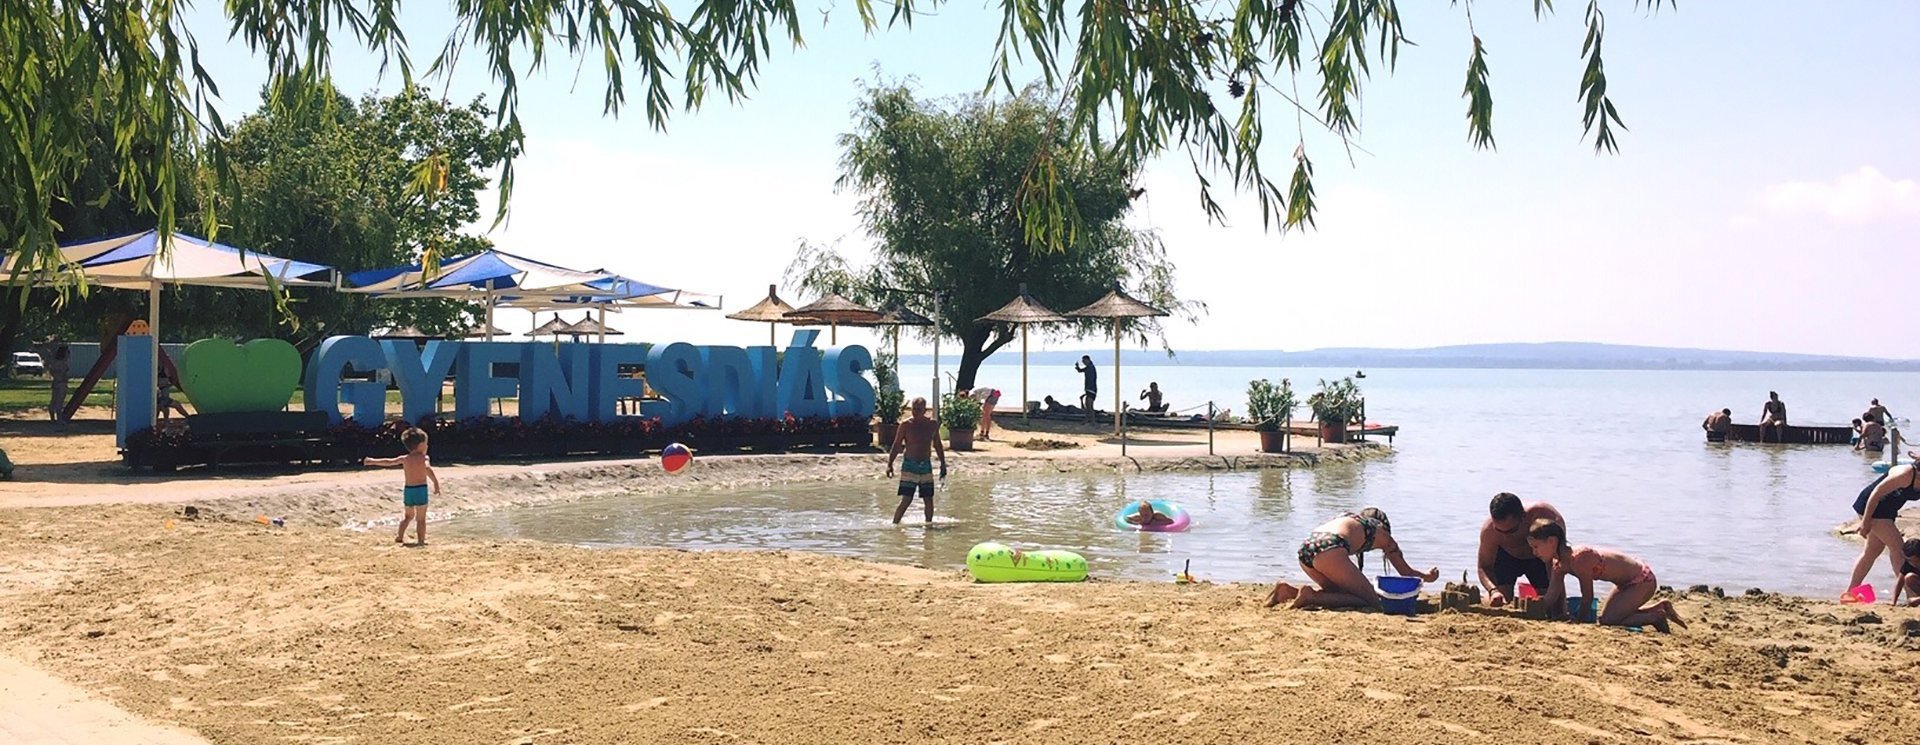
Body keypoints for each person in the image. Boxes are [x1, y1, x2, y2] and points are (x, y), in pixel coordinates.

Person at [1264, 508, 1439, 611]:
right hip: (1330, 548)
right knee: (1370, 602)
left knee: (1339, 595)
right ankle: (1311, 597)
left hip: (1306, 550)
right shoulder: (1384, 536)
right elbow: (1405, 572)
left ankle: (1288, 592)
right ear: (1383, 525)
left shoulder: (1347, 518)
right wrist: (1428, 577)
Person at [1527, 519, 1686, 632]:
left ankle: (1656, 617)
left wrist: (1579, 622)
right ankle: (1659, 608)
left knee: (1609, 621)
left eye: (1536, 547)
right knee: (1607, 619)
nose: (1534, 553)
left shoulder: (1579, 558)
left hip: (1641, 580)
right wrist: (1535, 608)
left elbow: (1587, 597)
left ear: (1552, 542)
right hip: (1623, 584)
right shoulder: (1559, 564)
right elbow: (1551, 595)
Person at [1843, 461, 1920, 601]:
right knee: (1899, 548)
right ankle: (1911, 595)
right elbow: (1876, 493)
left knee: (1871, 551)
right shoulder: (1905, 474)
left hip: (1888, 510)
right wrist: (1865, 522)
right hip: (1871, 506)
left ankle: (1850, 593)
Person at [1476, 493, 1565, 607]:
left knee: (1551, 603)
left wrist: (1555, 597)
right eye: (1499, 531)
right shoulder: (1489, 531)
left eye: (1510, 531)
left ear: (1523, 516)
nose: (1505, 536)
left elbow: (1559, 560)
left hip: (1539, 559)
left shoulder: (1546, 516)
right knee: (1499, 601)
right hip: (1506, 557)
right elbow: (1483, 567)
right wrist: (1493, 590)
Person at [363, 427, 440, 546]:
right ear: (420, 445)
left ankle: (399, 536)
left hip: (409, 490)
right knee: (421, 519)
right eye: (426, 444)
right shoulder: (424, 458)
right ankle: (421, 541)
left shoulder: (405, 459)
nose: (427, 446)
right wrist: (435, 483)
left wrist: (372, 461)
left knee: (408, 516)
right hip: (420, 490)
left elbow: (389, 462)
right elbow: (427, 468)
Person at [885, 397, 947, 524]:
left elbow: (938, 445)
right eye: (914, 409)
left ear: (925, 410)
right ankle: (895, 525)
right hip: (910, 465)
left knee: (928, 499)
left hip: (925, 465)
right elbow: (897, 445)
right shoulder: (906, 425)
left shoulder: (932, 424)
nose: (916, 412)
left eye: (919, 409)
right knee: (907, 499)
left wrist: (943, 464)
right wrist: (889, 464)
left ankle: (928, 526)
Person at [46, 343, 70, 422]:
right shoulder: (63, 364)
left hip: (56, 382)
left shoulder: (54, 363)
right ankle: (59, 419)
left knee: (54, 400)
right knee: (59, 401)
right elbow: (63, 373)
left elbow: (52, 371)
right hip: (62, 383)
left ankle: (52, 417)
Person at [1895, 538, 1920, 608]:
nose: (1912, 563)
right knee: (1909, 577)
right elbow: (1899, 583)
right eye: (1909, 560)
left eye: (1915, 561)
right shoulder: (1908, 563)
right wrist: (1894, 602)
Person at [1073, 355, 1098, 423]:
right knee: (1087, 406)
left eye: (1084, 361)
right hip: (1088, 389)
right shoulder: (1088, 367)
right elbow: (1080, 370)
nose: (1083, 363)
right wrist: (1077, 367)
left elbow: (1083, 372)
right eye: (1083, 362)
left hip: (1091, 389)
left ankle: (1093, 421)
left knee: (1090, 406)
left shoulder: (1091, 367)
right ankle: (1087, 419)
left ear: (1088, 360)